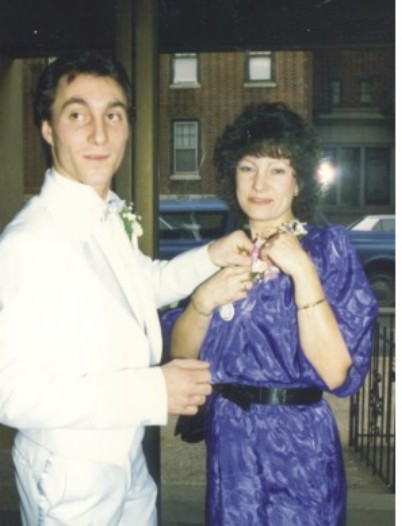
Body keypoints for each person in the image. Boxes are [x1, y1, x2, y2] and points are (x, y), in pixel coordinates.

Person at [0, 51, 254, 525]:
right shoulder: (28, 242)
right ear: (48, 130)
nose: (100, 134)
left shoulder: (105, 212)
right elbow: (12, 394)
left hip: (125, 455)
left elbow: (142, 283)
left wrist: (212, 255)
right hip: (71, 472)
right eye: (78, 115)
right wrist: (153, 390)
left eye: (113, 115)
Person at [164, 102, 378, 525]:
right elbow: (181, 356)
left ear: (299, 182)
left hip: (300, 450)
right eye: (248, 167)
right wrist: (203, 300)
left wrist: (303, 271)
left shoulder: (327, 250)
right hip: (230, 449)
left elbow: (337, 373)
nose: (259, 183)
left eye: (277, 169)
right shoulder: (221, 254)